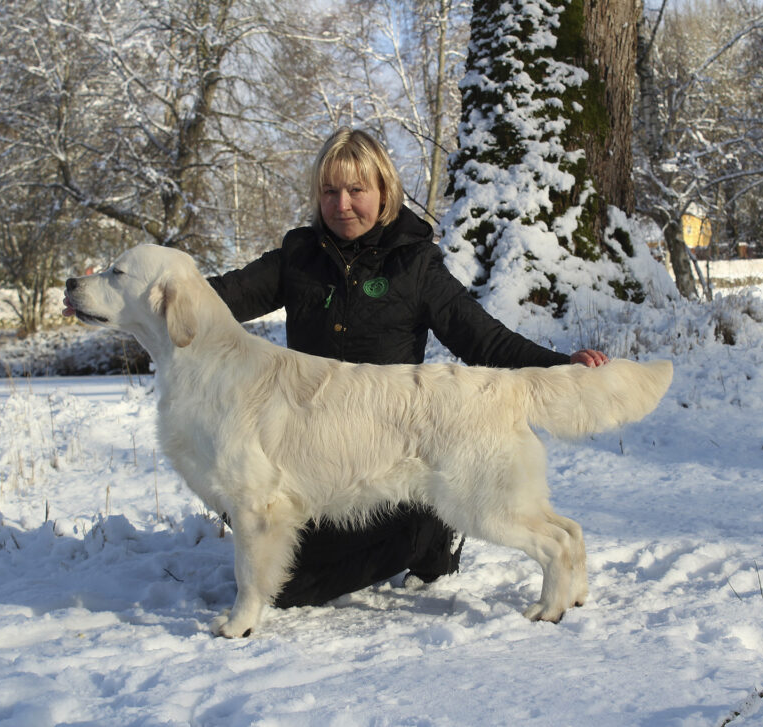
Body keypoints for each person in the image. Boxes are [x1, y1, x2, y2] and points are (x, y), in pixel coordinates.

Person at [208, 127, 608, 609]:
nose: (342, 205)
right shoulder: (298, 257)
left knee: (290, 587)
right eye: (329, 191)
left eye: (356, 189)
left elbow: (481, 337)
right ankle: (424, 527)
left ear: (384, 190)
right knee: (257, 529)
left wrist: (560, 366)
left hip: (397, 459)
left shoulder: (414, 264)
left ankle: (431, 526)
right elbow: (215, 299)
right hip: (319, 464)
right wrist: (154, 288)